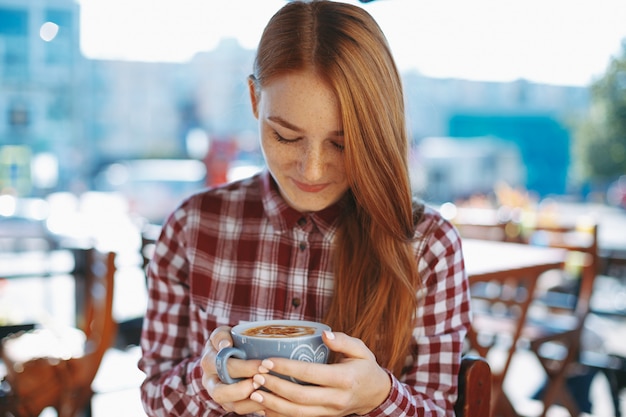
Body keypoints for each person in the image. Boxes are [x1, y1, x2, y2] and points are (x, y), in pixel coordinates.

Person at [138, 1, 471, 416]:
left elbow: (438, 409)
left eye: (341, 143)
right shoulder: (192, 227)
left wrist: (380, 398)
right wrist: (205, 381)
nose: (312, 170)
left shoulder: (428, 247)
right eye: (286, 137)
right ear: (255, 99)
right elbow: (154, 394)